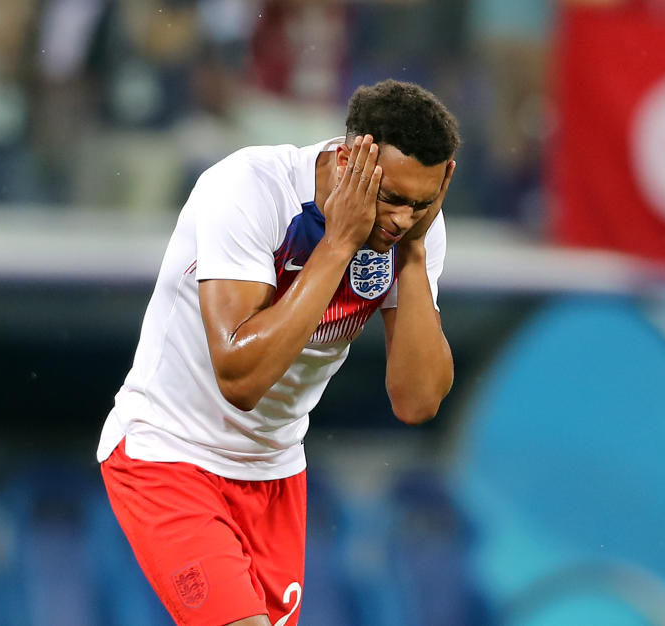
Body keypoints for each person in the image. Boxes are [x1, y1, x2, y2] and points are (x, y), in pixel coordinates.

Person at [97, 79, 459, 626]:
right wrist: (338, 244)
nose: (403, 218)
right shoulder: (247, 190)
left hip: (275, 473)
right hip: (171, 454)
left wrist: (410, 257)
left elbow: (417, 401)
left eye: (422, 203)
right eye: (391, 199)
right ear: (347, 158)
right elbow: (240, 380)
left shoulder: (411, 233)